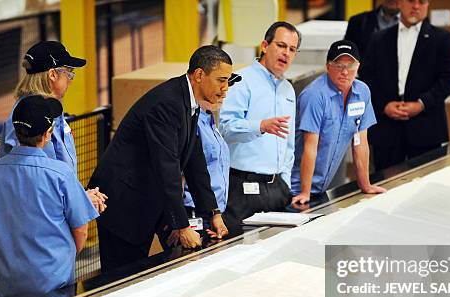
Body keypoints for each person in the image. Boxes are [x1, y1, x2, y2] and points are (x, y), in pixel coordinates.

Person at [89, 45, 231, 272]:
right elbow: (167, 167)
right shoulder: (168, 103)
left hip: (147, 199)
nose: (225, 88)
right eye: (221, 80)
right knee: (122, 280)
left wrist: (212, 212)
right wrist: (182, 225)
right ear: (199, 75)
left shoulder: (190, 102)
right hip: (123, 204)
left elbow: (194, 161)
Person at [0, 95, 99, 297]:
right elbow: (81, 231)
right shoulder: (60, 174)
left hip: (9, 283)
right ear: (47, 135)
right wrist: (63, 256)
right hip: (53, 281)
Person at [0, 40, 107, 212]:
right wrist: (79, 199)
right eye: (69, 73)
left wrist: (80, 195)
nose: (71, 80)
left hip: (57, 208)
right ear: (52, 75)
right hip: (41, 219)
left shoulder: (51, 109)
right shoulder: (30, 117)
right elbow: (40, 182)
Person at [360, 0, 450, 170]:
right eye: (411, 1)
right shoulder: (379, 39)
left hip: (426, 128)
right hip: (387, 129)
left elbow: (449, 79)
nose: (416, 6)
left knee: (426, 187)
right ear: (399, 3)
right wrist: (384, 105)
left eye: (422, 2)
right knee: (386, 186)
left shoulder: (442, 39)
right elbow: (367, 77)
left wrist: (422, 103)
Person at [219, 21, 301, 224]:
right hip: (243, 188)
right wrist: (260, 126)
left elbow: (289, 143)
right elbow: (225, 128)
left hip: (277, 189)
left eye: (292, 49)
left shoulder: (288, 90)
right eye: (281, 46)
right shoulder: (241, 81)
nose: (286, 53)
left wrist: (285, 181)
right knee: (240, 251)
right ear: (264, 46)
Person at [291, 40, 386, 206]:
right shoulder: (314, 95)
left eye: (350, 66)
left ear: (358, 67)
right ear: (328, 66)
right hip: (294, 189)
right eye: (339, 65)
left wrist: (366, 185)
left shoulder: (362, 92)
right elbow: (310, 146)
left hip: (321, 188)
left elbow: (360, 142)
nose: (345, 72)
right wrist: (304, 192)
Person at [181, 73, 242, 237]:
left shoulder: (209, 120)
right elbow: (179, 171)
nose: (224, 93)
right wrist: (180, 223)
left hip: (212, 212)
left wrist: (216, 213)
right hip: (192, 212)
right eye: (219, 88)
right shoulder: (191, 121)